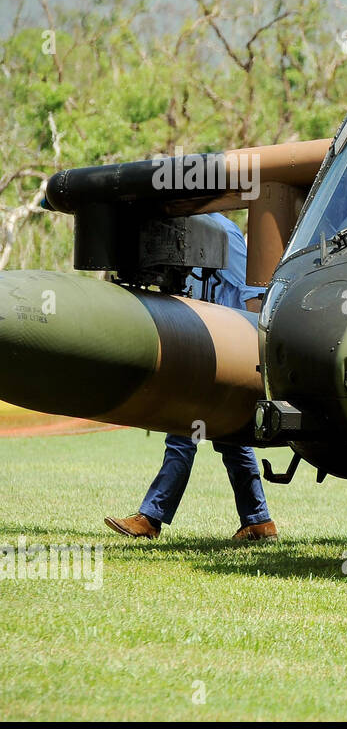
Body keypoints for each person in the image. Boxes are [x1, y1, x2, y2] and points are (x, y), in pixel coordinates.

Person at [105, 213, 277, 542]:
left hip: (221, 349)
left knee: (182, 434)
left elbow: (251, 289)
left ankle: (151, 519)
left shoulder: (223, 232)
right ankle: (258, 521)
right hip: (196, 347)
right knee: (230, 442)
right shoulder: (174, 233)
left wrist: (247, 349)